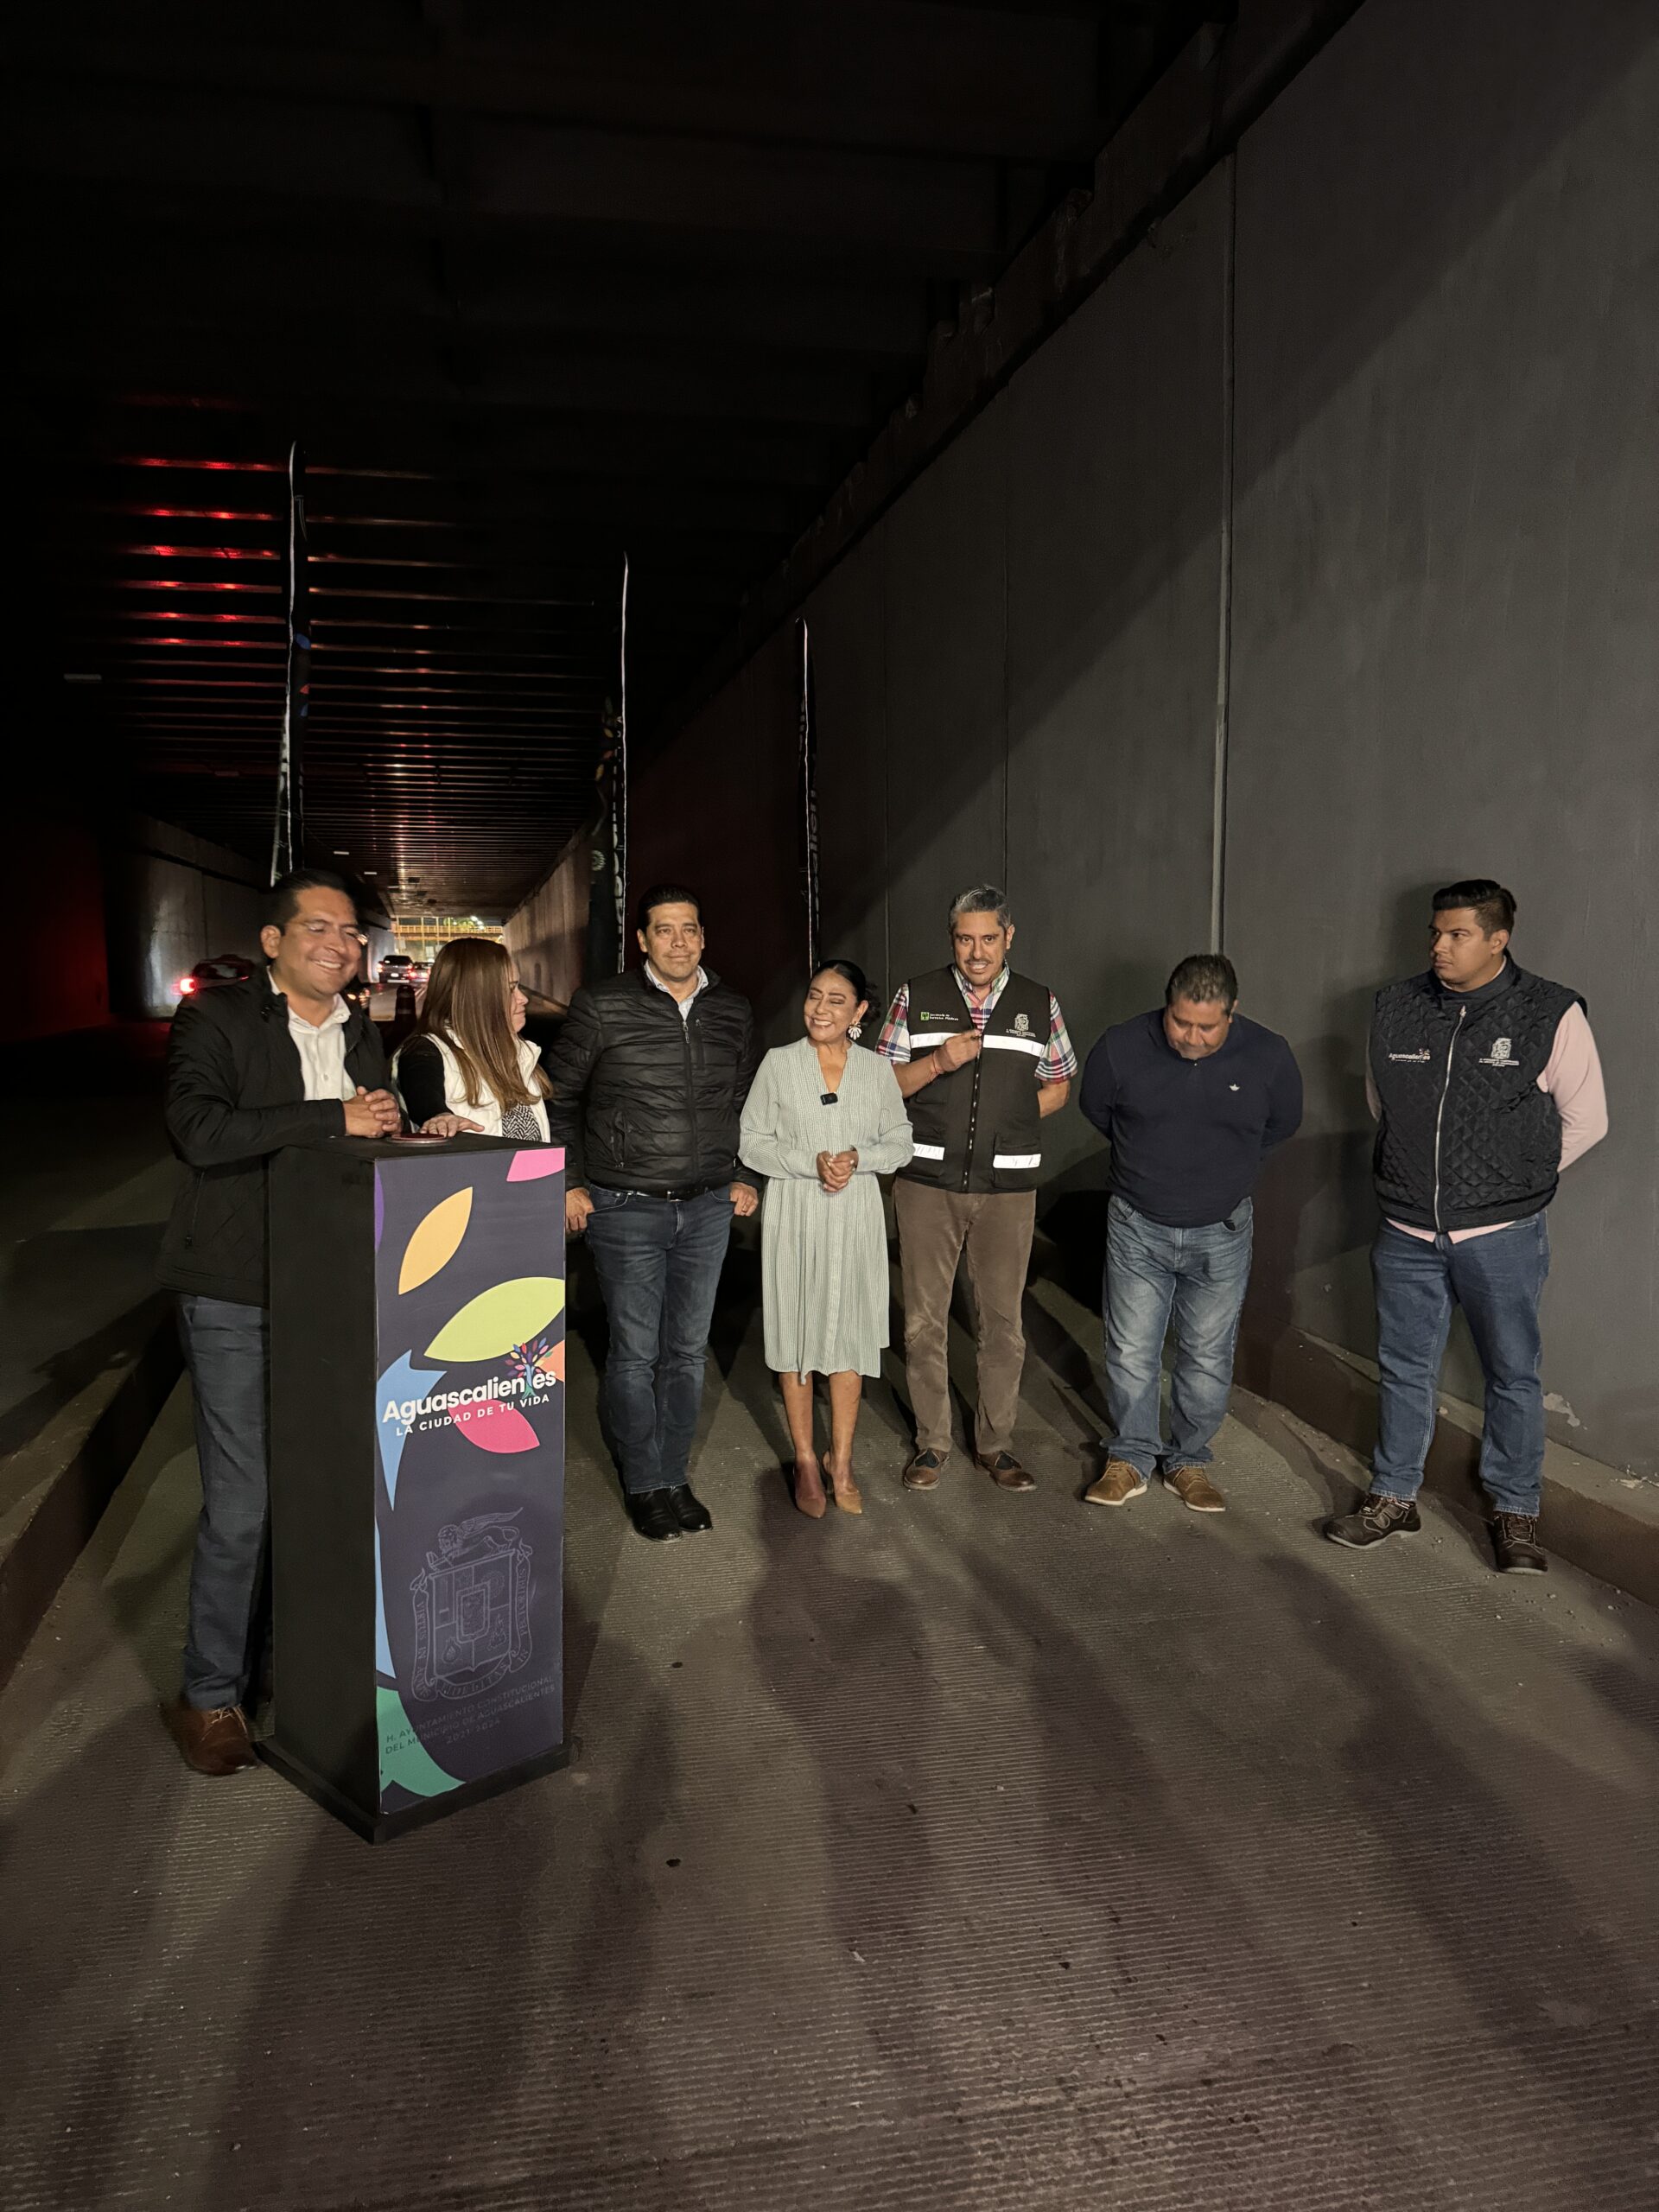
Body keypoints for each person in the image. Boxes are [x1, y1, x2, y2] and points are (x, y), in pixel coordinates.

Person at [157, 869, 402, 1774]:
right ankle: (209, 1695)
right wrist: (333, 1116)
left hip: (333, 1291)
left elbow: (366, 1136)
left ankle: (290, 1667)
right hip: (236, 1288)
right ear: (273, 941)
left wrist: (412, 1126)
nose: (340, 945)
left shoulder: (359, 1030)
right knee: (243, 1502)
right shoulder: (217, 1019)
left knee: (318, 1490)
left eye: (352, 933)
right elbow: (199, 1130)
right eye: (319, 928)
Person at [1326, 880, 1607, 1573]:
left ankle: (1516, 1513)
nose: (1439, 947)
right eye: (1435, 932)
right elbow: (1384, 1104)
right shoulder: (1396, 1007)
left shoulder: (1549, 1011)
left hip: (1502, 1237)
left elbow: (1588, 1120)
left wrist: (1509, 1183)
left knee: (1512, 1374)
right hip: (1407, 1233)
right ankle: (1394, 1497)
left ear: (1497, 940)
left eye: (1457, 935)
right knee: (1405, 1369)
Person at [546, 884, 760, 1541]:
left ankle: (674, 1476)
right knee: (636, 1354)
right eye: (664, 930)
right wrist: (570, 1182)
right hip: (624, 1207)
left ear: (703, 937)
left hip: (706, 1208)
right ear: (642, 940)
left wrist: (743, 1172)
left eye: (689, 928)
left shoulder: (731, 1010)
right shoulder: (602, 1005)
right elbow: (558, 1099)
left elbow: (744, 1101)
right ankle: (643, 1482)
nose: (678, 941)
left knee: (688, 1354)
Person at [1078, 953, 1303, 1514]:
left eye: (1207, 1027)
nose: (1192, 1038)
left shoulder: (1269, 1056)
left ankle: (1188, 1461)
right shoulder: (1121, 1047)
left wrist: (1221, 1172)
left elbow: (1282, 1123)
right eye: (1180, 1022)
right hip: (1137, 1223)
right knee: (1132, 1349)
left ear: (1232, 1013)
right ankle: (1130, 1457)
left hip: (1221, 1230)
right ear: (1167, 1006)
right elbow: (1096, 1109)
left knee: (1206, 1355)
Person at [878, 885, 1075, 1493]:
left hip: (1008, 1189)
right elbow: (882, 1083)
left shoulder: (1039, 1002)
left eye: (989, 938)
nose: (977, 951)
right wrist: (939, 1063)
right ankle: (932, 1443)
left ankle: (995, 1445)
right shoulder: (916, 996)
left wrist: (1010, 1123)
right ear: (952, 939)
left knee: (1003, 1325)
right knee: (923, 1324)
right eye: (965, 939)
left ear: (1008, 938)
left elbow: (1059, 1084)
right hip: (926, 1183)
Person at [739, 960, 914, 1516]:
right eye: (815, 996)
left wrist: (859, 1157)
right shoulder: (779, 1063)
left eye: (836, 1000)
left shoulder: (876, 1070)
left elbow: (902, 1142)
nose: (820, 1009)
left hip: (855, 1217)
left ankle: (842, 1461)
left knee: (849, 1338)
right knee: (796, 1336)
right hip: (795, 1214)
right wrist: (807, 1162)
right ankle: (806, 1461)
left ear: (859, 1011)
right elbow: (750, 1141)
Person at [393, 938, 550, 1140]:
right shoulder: (426, 1051)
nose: (523, 999)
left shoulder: (519, 1052)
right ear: (478, 997)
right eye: (510, 989)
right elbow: (422, 1089)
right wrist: (439, 1117)